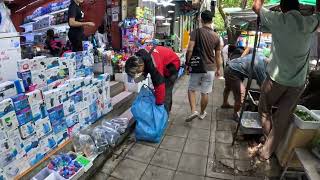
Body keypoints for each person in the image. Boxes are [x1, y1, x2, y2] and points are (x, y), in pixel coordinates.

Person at [251, 0, 320, 161]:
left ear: (282, 8)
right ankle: (267, 151)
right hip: (298, 83)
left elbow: (256, 6)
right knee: (282, 117)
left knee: (264, 110)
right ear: (299, 7)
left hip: (276, 79)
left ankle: (267, 142)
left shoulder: (278, 19)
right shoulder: (309, 21)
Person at [185, 10, 222, 122]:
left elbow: (190, 49)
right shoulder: (216, 36)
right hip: (210, 68)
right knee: (205, 92)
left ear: (201, 20)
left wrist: (187, 64)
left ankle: (193, 111)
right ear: (211, 20)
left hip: (197, 66)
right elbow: (218, 55)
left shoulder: (196, 32)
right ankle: (202, 113)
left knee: (191, 89)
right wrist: (219, 69)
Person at [125, 46, 180, 113]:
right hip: (163, 60)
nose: (137, 74)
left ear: (140, 66)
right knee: (161, 92)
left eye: (137, 72)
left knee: (165, 92)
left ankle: (164, 116)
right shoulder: (139, 56)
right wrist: (137, 80)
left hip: (172, 65)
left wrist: (158, 105)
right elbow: (146, 66)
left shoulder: (155, 65)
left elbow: (159, 85)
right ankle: (165, 109)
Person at [221, 53, 268, 118]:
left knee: (228, 87)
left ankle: (225, 103)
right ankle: (235, 115)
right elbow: (264, 87)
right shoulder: (261, 68)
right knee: (241, 95)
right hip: (233, 72)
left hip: (229, 66)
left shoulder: (261, 55)